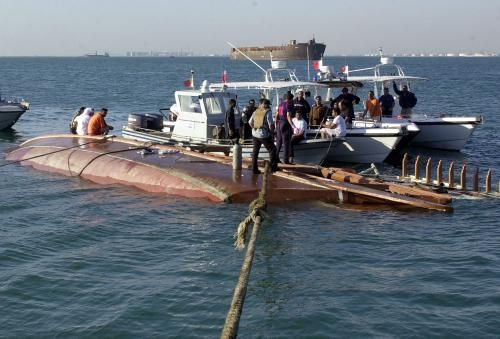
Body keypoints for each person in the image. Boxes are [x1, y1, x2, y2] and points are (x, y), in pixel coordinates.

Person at [248, 99, 279, 174]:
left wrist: (255, 128)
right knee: (272, 150)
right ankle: (273, 168)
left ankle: (254, 169)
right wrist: (272, 133)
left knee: (255, 151)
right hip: (263, 135)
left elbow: (249, 122)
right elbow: (271, 125)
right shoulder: (268, 112)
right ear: (267, 105)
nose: (268, 106)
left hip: (255, 134)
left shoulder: (256, 111)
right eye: (268, 105)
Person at [275, 93, 295, 164]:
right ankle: (285, 161)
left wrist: (276, 123)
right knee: (286, 142)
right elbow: (288, 116)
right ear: (290, 99)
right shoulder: (289, 104)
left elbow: (276, 115)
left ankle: (275, 158)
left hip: (279, 123)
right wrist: (293, 126)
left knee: (279, 142)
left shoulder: (280, 104)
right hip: (285, 124)